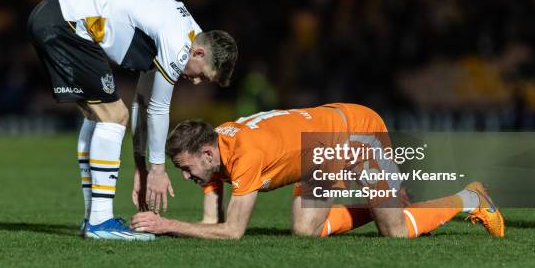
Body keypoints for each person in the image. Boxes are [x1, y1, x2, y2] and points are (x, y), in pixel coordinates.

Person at [27, 0, 238, 241]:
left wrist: (141, 167)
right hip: (66, 25)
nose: (196, 82)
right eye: (202, 75)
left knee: (98, 115)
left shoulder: (185, 32)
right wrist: (158, 171)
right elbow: (159, 109)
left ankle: (92, 218)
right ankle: (100, 222)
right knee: (114, 115)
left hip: (56, 15)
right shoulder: (178, 44)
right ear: (198, 54)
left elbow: (142, 99)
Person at [130, 103, 505, 239]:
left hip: (355, 131)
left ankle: (471, 197)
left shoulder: (243, 153)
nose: (184, 176)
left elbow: (231, 232)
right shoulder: (212, 157)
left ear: (207, 152)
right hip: (319, 147)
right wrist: (180, 228)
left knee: (396, 232)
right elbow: (212, 223)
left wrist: (167, 226)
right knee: (307, 231)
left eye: (185, 168)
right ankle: (385, 203)